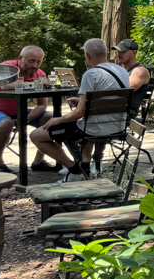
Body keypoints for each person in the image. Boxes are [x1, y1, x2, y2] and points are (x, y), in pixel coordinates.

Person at [31, 38, 129, 181]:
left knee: (36, 135)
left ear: (87, 55)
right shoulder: (122, 71)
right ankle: (85, 167)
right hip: (118, 126)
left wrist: (59, 119)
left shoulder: (91, 74)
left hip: (93, 128)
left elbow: (79, 113)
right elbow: (107, 99)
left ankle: (75, 170)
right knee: (84, 121)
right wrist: (85, 102)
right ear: (106, 53)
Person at [0, 45, 53, 173]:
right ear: (20, 58)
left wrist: (24, 119)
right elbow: (5, 86)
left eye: (38, 62)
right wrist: (38, 84)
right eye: (31, 61)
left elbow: (42, 105)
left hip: (20, 112)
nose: (35, 65)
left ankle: (38, 161)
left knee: (51, 118)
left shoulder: (40, 74)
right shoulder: (8, 67)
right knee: (6, 123)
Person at [111, 39, 152, 119]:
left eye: (123, 51)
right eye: (118, 51)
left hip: (124, 115)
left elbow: (124, 91)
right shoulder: (120, 70)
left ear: (134, 52)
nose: (119, 54)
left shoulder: (140, 71)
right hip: (112, 110)